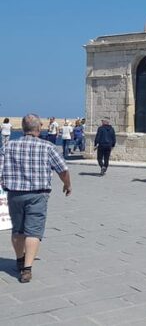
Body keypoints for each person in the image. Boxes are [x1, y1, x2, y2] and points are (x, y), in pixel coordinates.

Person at [0, 114, 72, 283]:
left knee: (18, 229)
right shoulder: (47, 146)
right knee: (33, 231)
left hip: (14, 194)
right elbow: (63, 169)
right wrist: (67, 185)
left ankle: (19, 259)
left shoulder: (8, 146)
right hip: (38, 195)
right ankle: (27, 269)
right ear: (39, 128)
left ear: (24, 128)